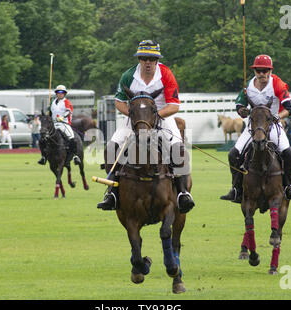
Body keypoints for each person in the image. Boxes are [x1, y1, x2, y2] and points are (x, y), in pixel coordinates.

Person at [96, 39, 195, 213]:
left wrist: (153, 117)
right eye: (144, 58)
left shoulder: (166, 74)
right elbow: (119, 102)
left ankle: (182, 193)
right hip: (135, 119)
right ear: (139, 59)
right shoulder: (128, 76)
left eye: (151, 58)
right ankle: (111, 193)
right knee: (112, 146)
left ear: (157, 60)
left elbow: (174, 106)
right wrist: (137, 117)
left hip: (162, 116)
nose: (147, 62)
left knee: (177, 148)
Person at [220, 54, 291, 203]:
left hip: (273, 126)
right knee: (233, 154)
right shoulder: (248, 86)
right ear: (255, 71)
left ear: (270, 71)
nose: (262, 74)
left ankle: (288, 187)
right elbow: (239, 105)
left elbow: (290, 108)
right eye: (258, 70)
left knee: (290, 154)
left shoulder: (278, 84)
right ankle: (236, 189)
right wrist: (242, 111)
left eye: (265, 70)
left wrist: (279, 116)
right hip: (253, 127)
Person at [38, 85, 80, 165]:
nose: (60, 94)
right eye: (58, 92)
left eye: (62, 92)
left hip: (64, 124)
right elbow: (50, 113)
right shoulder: (53, 102)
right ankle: (43, 157)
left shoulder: (66, 102)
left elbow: (69, 111)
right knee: (42, 139)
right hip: (54, 124)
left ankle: (75, 156)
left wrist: (62, 117)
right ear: (56, 93)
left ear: (64, 94)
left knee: (71, 137)